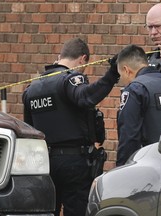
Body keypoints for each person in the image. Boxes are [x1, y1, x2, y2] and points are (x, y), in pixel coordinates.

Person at [22, 38, 119, 216]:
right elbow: (85, 96)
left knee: (47, 211)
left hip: (44, 164)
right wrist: (112, 74)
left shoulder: (31, 89)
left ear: (60, 57)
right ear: (82, 59)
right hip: (75, 164)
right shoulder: (70, 79)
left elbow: (29, 130)